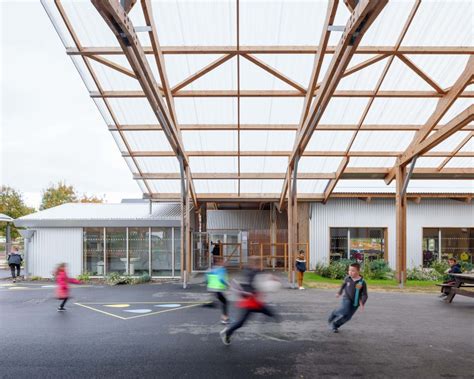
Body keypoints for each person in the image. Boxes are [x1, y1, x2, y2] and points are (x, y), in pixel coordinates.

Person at [220, 256, 279, 345]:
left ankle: (229, 332)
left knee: (270, 313)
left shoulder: (253, 271)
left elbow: (262, 277)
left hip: (254, 302)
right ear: (256, 264)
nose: (262, 265)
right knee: (241, 322)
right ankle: (228, 331)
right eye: (261, 263)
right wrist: (268, 283)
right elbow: (256, 285)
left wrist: (270, 278)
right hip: (250, 303)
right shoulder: (251, 273)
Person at [328, 262, 368, 333]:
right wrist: (339, 293)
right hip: (347, 298)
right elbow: (343, 286)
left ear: (358, 271)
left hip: (355, 303)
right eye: (349, 270)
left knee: (347, 317)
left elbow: (365, 294)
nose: (350, 272)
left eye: (353, 271)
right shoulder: (347, 279)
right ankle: (334, 313)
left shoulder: (362, 282)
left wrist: (362, 303)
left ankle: (335, 325)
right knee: (344, 310)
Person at [205, 256, 230, 324]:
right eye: (225, 262)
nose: (226, 263)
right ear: (220, 262)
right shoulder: (221, 269)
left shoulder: (210, 269)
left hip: (211, 289)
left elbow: (206, 279)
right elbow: (221, 279)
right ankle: (224, 318)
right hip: (218, 289)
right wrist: (228, 284)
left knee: (223, 301)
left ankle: (212, 303)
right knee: (225, 302)